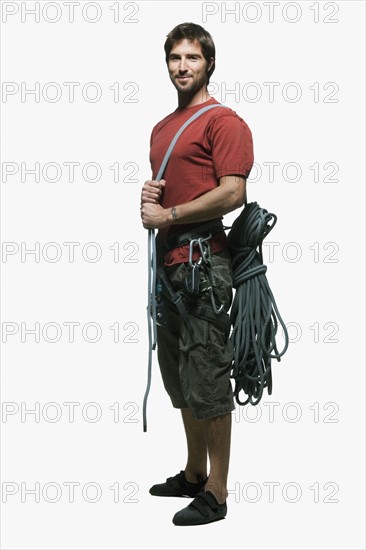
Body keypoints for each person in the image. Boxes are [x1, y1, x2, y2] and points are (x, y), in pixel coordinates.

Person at [140, 22, 254, 526]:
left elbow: (233, 193)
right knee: (179, 379)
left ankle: (217, 491)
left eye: (191, 57)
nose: (181, 66)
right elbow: (174, 191)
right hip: (168, 266)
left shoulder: (225, 122)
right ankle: (191, 472)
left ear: (209, 62)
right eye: (174, 58)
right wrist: (151, 201)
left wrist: (171, 216)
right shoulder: (162, 128)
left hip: (205, 267)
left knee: (207, 376)